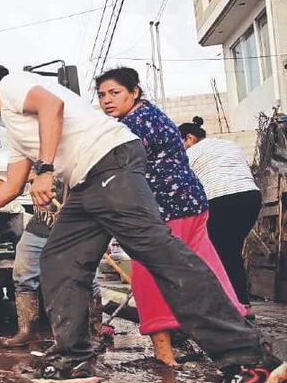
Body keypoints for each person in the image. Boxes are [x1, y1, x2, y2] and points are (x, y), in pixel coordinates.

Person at [0, 63, 283, 383]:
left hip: (109, 162)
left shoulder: (12, 85)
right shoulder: (16, 128)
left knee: (160, 254)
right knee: (60, 259)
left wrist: (46, 168)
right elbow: (14, 183)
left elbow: (53, 107)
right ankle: (72, 359)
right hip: (86, 181)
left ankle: (248, 360)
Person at [97, 68, 249, 363]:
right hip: (192, 203)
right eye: (102, 95)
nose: (106, 100)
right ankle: (242, 342)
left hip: (164, 210)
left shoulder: (133, 124)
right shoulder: (153, 115)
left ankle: (164, 355)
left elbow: (116, 168)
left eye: (114, 93)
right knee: (207, 271)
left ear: (134, 92)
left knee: (149, 275)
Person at [5, 171, 103, 348]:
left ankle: (94, 333)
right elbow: (17, 180)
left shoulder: (75, 152)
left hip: (74, 227)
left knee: (86, 279)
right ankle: (27, 331)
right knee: (23, 274)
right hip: (39, 225)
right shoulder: (36, 156)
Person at [179, 116, 261, 311]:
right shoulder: (229, 145)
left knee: (217, 253)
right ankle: (242, 304)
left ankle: (229, 306)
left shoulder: (190, 154)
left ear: (189, 138)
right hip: (250, 198)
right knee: (230, 251)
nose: (179, 147)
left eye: (179, 141)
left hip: (221, 199)